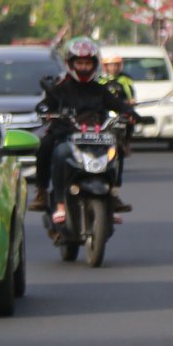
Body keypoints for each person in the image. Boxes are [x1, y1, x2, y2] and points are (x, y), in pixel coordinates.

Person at [33, 36, 134, 224]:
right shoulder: (60, 88)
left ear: (95, 64)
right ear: (71, 63)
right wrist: (46, 111)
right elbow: (45, 105)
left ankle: (112, 195)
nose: (84, 67)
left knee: (116, 150)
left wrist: (131, 113)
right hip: (66, 135)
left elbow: (119, 105)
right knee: (52, 149)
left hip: (97, 137)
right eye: (80, 62)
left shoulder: (100, 89)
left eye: (88, 63)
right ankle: (50, 198)